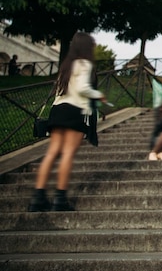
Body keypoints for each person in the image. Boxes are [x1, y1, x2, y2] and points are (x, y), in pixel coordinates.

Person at [28, 32, 107, 212]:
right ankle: (60, 199)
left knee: (52, 153)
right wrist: (98, 95)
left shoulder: (66, 66)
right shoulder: (84, 64)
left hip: (58, 110)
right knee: (68, 154)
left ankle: (38, 197)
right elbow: (83, 88)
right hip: (75, 110)